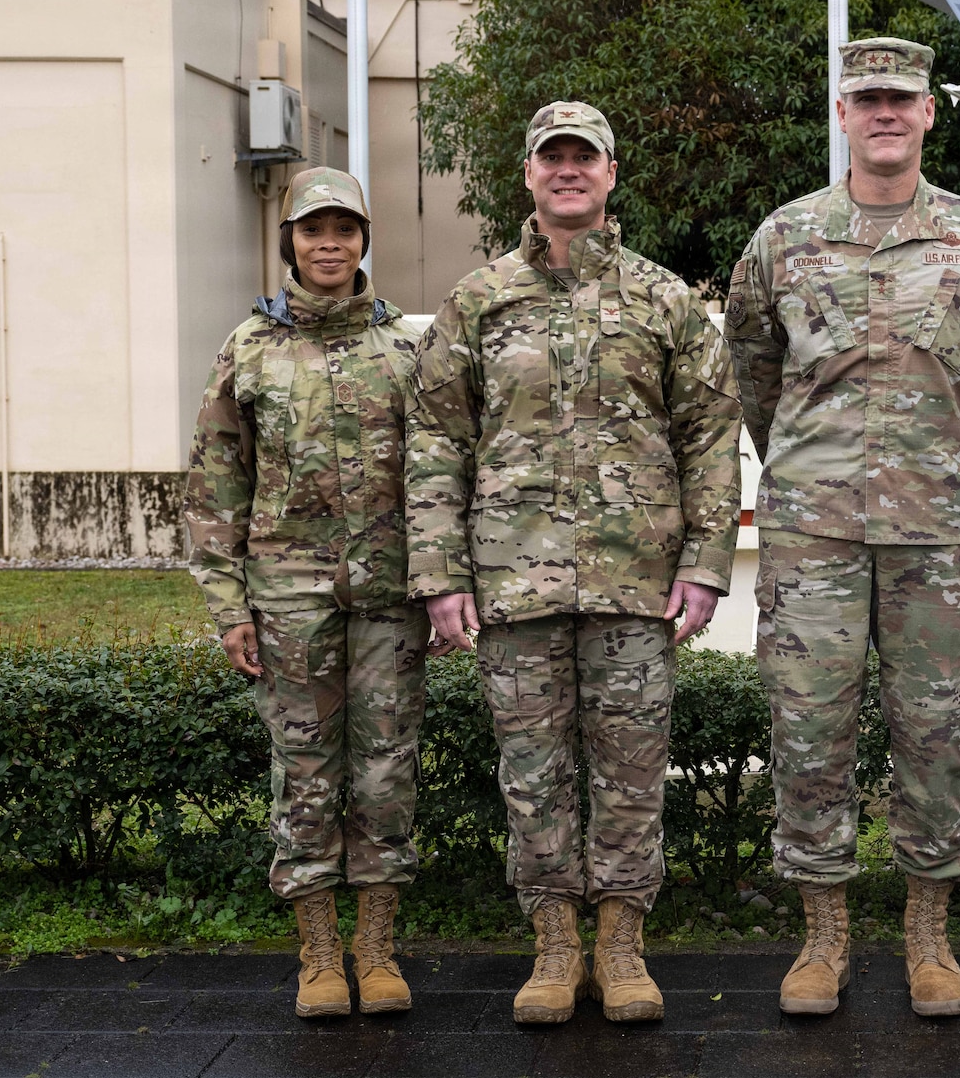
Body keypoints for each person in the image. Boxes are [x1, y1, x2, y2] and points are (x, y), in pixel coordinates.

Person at [406, 101, 741, 1027]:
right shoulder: (477, 302)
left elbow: (711, 435)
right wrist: (440, 576)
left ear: (610, 173)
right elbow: (436, 441)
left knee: (633, 767)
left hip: (637, 583)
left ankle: (623, 946)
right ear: (528, 175)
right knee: (533, 771)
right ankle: (555, 945)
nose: (567, 172)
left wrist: (707, 561)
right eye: (551, 158)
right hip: (512, 585)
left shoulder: (666, 300)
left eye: (583, 158)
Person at [726, 37, 960, 1018]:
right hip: (811, 533)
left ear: (927, 113)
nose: (884, 114)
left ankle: (925, 932)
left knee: (937, 733)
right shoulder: (784, 238)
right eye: (866, 98)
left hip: (935, 536)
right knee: (810, 731)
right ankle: (822, 935)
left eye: (900, 98)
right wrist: (809, 462)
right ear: (841, 113)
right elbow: (753, 370)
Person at [184, 167, 427, 1020]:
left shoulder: (403, 349)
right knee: (306, 774)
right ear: (287, 239)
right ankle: (320, 953)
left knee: (388, 770)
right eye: (313, 229)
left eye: (346, 228)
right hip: (287, 598)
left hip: (390, 597)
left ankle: (377, 948)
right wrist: (228, 607)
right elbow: (216, 489)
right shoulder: (247, 348)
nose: (330, 244)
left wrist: (442, 587)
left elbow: (438, 477)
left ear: (365, 240)